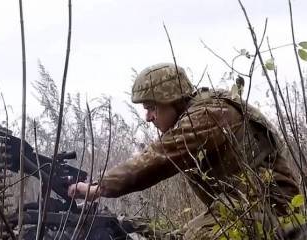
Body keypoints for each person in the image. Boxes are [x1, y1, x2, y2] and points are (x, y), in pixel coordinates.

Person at [68, 63, 300, 239]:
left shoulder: (209, 115)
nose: (148, 117)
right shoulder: (202, 112)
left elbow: (160, 156)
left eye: (151, 108)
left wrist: (99, 188)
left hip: (272, 210)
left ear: (172, 100)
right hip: (246, 207)